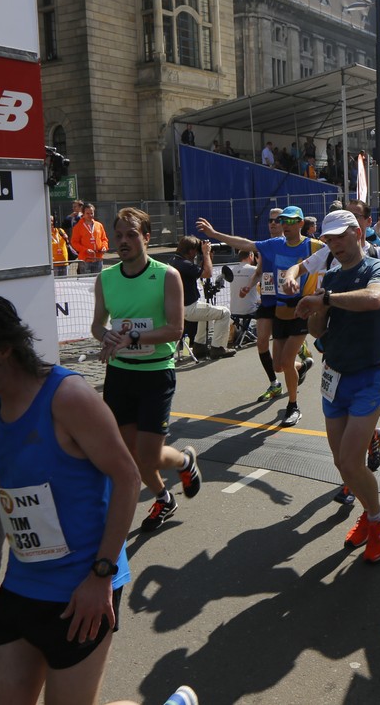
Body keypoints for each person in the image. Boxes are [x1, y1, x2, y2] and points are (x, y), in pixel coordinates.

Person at [0, 293, 140, 705]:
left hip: (82, 586)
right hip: (22, 583)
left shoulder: (68, 398)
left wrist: (101, 577)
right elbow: (7, 475)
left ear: (3, 349)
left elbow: (127, 478)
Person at [90, 208, 202, 533]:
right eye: (119, 236)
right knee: (131, 454)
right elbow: (97, 325)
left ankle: (184, 461)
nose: (123, 241)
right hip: (119, 375)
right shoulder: (106, 278)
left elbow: (176, 329)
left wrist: (134, 337)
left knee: (149, 456)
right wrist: (105, 336)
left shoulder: (167, 275)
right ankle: (164, 498)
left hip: (155, 374)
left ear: (147, 238)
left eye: (131, 235)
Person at [294, 211, 380, 563]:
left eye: (340, 236)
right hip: (333, 377)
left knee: (351, 462)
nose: (334, 244)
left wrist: (325, 300)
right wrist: (315, 309)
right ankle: (369, 511)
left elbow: (374, 299)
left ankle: (378, 520)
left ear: (357, 232)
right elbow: (317, 331)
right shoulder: (332, 276)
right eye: (329, 239)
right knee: (342, 463)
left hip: (368, 376)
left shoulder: (376, 268)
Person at [197, 206, 322, 426]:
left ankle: (293, 406)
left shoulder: (313, 246)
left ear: (301, 223)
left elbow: (337, 257)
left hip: (301, 310)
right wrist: (215, 234)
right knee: (279, 366)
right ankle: (301, 368)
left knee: (286, 360)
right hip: (279, 311)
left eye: (290, 221)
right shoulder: (274, 245)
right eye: (282, 221)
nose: (284, 225)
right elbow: (245, 244)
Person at [170, 236, 235, 359]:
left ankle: (199, 346)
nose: (196, 253)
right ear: (190, 251)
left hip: (179, 308)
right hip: (189, 308)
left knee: (205, 311)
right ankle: (218, 348)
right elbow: (207, 273)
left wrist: (207, 258)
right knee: (225, 312)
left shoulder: (176, 261)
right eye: (196, 250)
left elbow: (196, 272)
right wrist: (205, 253)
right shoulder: (184, 264)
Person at [222, 249, 260, 348]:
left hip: (233, 309)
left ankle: (246, 333)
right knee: (267, 307)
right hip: (250, 309)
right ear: (250, 255)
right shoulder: (254, 270)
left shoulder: (233, 270)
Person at [70, 204, 109, 275]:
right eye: (87, 213)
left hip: (98, 258)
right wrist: (85, 250)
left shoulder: (99, 225)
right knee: (85, 280)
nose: (90, 215)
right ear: (83, 214)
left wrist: (104, 247)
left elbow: (104, 239)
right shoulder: (78, 227)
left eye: (92, 213)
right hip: (85, 260)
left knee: (97, 280)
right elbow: (74, 242)